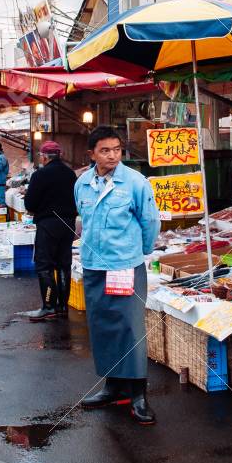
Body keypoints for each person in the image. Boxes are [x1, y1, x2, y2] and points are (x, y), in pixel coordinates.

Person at [74, 126, 160, 425]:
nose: (112, 156)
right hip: (94, 266)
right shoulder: (82, 183)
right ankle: (112, 386)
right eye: (105, 151)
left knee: (129, 327)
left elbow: (150, 221)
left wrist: (141, 250)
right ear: (92, 154)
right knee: (102, 326)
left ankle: (138, 394)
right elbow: (83, 217)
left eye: (116, 150)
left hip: (124, 266)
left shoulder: (135, 182)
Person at [22, 140, 78, 321]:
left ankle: (49, 306)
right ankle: (62, 307)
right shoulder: (70, 174)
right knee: (63, 264)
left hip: (48, 223)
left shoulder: (40, 175)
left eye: (41, 156)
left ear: (45, 157)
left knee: (44, 265)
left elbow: (30, 204)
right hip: (68, 223)